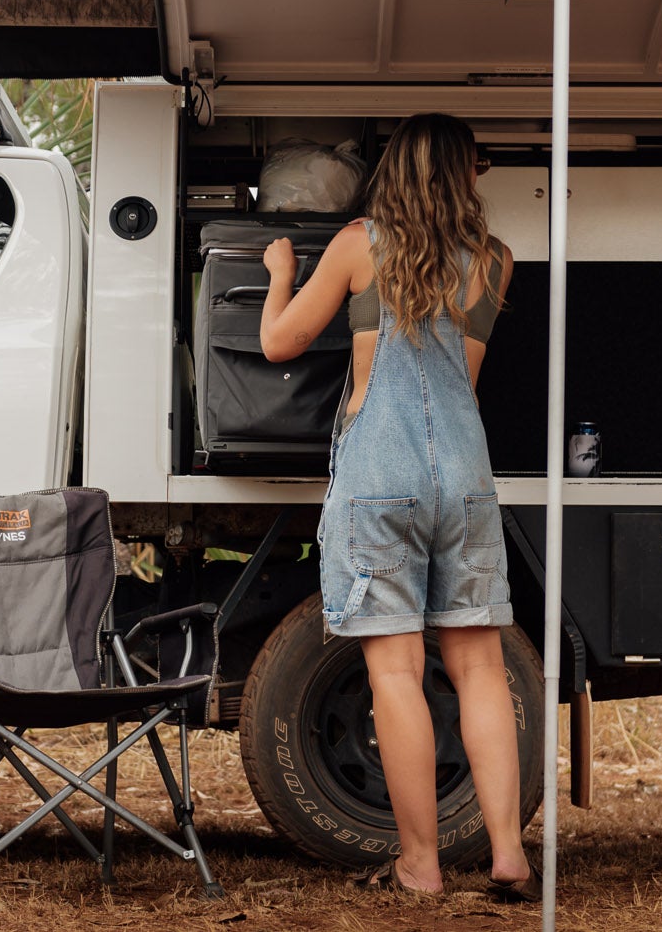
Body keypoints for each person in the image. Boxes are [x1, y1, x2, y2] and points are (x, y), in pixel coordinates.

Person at [257, 112, 534, 899]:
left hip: (382, 473)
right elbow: (464, 382)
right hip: (465, 474)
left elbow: (281, 342)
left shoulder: (358, 245)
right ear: (464, 175)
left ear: (396, 173)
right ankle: (509, 853)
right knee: (480, 667)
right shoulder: (495, 260)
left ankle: (420, 863)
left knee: (397, 672)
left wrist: (280, 268)